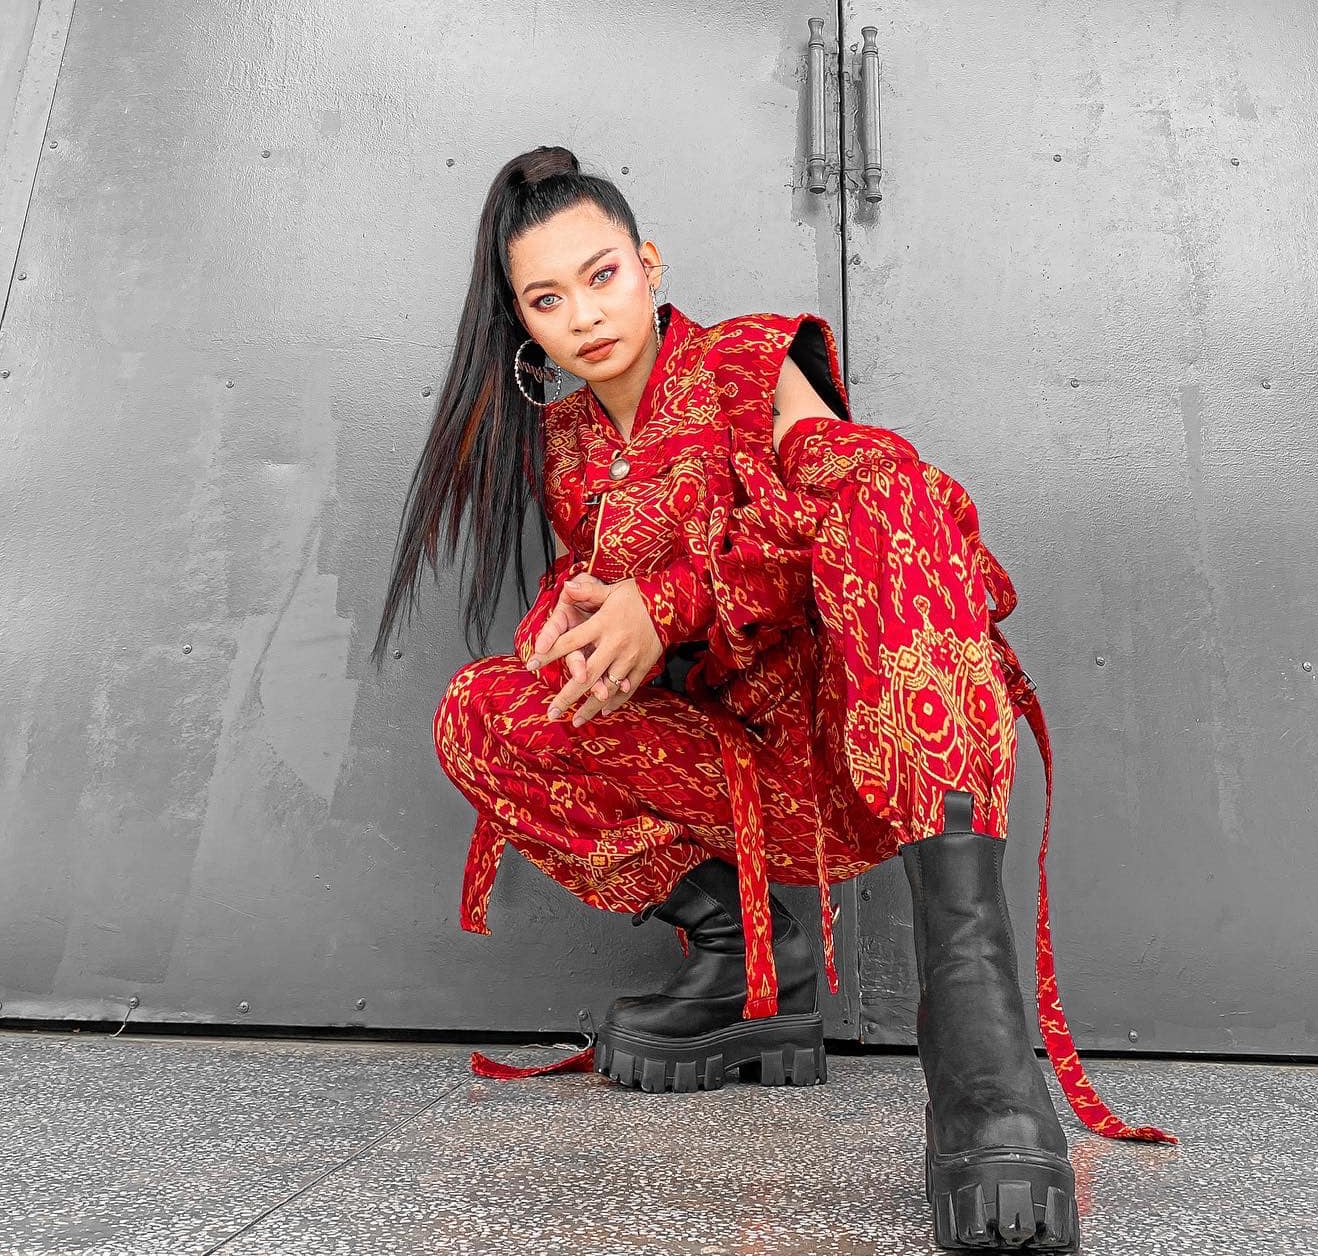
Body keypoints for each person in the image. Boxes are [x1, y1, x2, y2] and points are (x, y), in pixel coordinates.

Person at [374, 145, 1174, 1254]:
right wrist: (582, 622)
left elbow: (853, 499)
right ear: (523, 325)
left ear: (649, 265)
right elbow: (596, 595)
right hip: (734, 774)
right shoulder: (562, 450)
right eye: (546, 300)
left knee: (886, 484)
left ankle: (980, 1041)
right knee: (485, 708)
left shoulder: (748, 362)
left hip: (872, 744)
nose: (585, 317)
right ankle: (748, 957)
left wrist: (671, 598)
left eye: (602, 276)